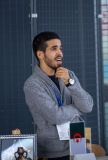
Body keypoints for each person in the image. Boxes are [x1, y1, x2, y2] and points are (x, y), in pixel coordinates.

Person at [23, 31, 93, 160]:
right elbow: (55, 116)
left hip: (78, 146)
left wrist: (70, 83)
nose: (60, 53)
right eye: (54, 48)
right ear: (40, 54)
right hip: (52, 154)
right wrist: (77, 109)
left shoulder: (68, 75)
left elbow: (88, 106)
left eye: (60, 48)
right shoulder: (32, 85)